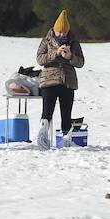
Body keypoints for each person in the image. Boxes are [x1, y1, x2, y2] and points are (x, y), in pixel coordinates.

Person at [36, 10, 85, 149]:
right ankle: (43, 135)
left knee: (66, 112)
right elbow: (40, 59)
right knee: (47, 112)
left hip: (67, 82)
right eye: (59, 32)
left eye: (64, 32)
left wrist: (70, 57)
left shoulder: (74, 43)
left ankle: (66, 138)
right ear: (54, 30)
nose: (62, 35)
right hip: (49, 80)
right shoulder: (46, 40)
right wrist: (55, 53)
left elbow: (81, 62)